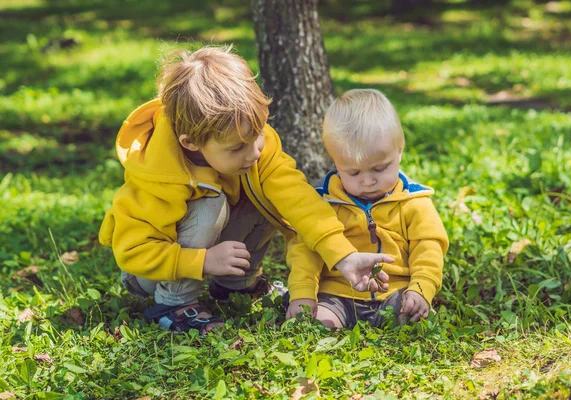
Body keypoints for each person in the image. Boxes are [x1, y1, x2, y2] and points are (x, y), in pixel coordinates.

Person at [98, 46, 391, 334]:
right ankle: (174, 304)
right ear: (190, 143)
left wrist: (343, 256)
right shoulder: (158, 174)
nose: (253, 153)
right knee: (210, 203)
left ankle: (233, 286)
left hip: (206, 253)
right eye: (237, 147)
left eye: (258, 134)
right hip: (152, 271)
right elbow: (133, 252)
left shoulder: (253, 148)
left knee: (269, 196)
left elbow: (299, 200)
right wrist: (203, 261)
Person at [285, 89, 449, 328]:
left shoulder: (413, 202)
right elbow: (305, 250)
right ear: (335, 162)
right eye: (353, 172)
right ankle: (329, 321)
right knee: (318, 322)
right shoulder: (324, 202)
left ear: (399, 152)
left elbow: (429, 248)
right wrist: (303, 293)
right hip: (337, 294)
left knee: (414, 316)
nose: (368, 181)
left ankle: (411, 309)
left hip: (397, 292)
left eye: (380, 169)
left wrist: (421, 288)